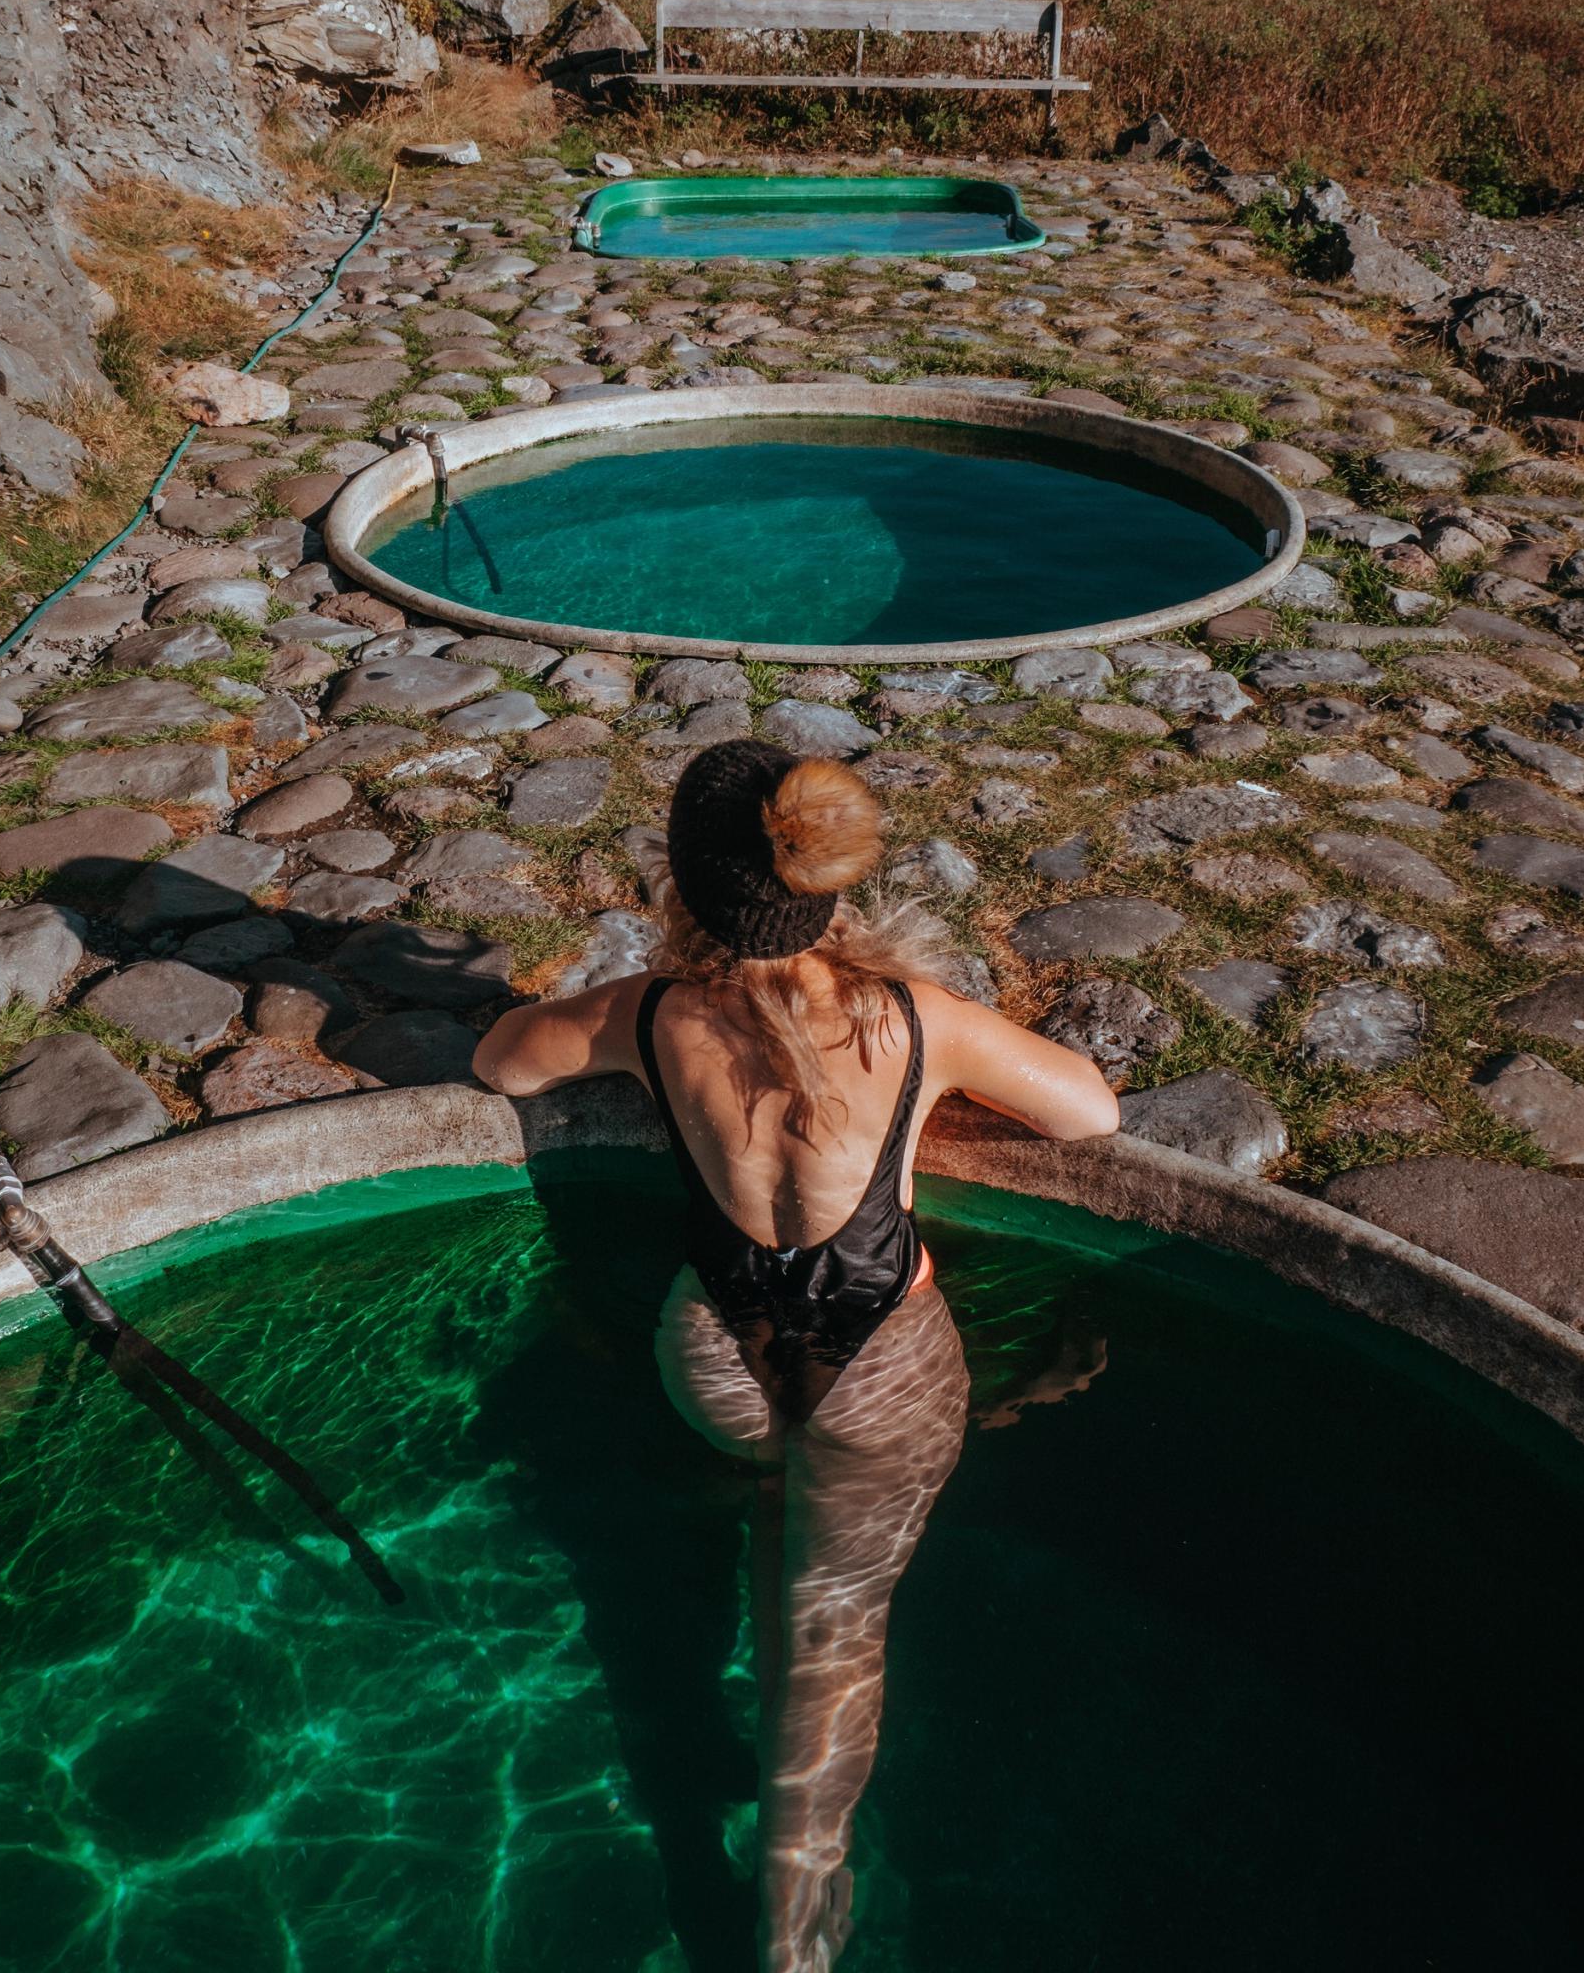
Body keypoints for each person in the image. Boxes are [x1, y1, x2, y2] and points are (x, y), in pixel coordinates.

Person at [475, 737, 1118, 1971]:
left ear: (683, 881)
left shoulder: (651, 1012)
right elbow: (1089, 1109)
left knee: (778, 1507)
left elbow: (498, 1060)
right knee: (839, 1621)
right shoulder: (908, 1016)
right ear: (824, 878)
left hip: (714, 1356)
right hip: (882, 1362)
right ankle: (791, 1919)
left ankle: (754, 1609)